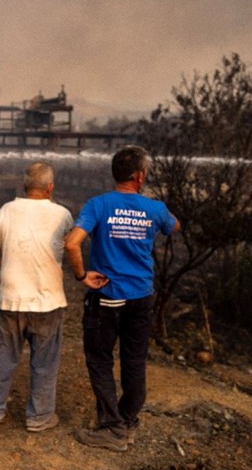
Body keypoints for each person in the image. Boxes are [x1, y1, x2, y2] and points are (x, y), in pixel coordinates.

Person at [64, 145, 179, 452]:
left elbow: (72, 243)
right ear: (140, 176)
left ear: (116, 174)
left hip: (107, 297)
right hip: (140, 298)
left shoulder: (98, 205)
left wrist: (81, 275)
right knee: (134, 361)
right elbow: (174, 226)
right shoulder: (154, 209)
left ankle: (114, 427)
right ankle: (125, 421)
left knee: (100, 359)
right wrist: (152, 215)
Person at [0, 162, 74, 432]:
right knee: (45, 362)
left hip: (10, 298)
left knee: (1, 356)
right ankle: (39, 417)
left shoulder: (7, 210)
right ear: (50, 187)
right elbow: (71, 247)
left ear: (23, 186)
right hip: (48, 301)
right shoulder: (63, 214)